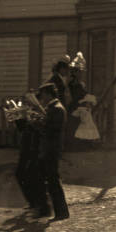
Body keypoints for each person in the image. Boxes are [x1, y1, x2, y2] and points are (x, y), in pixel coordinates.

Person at [32, 82, 69, 221]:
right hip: (48, 149)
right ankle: (48, 210)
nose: (41, 99)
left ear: (48, 94)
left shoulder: (57, 109)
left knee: (53, 181)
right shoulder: (53, 108)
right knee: (46, 179)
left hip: (51, 149)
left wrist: (35, 123)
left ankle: (61, 212)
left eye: (42, 96)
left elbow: (50, 130)